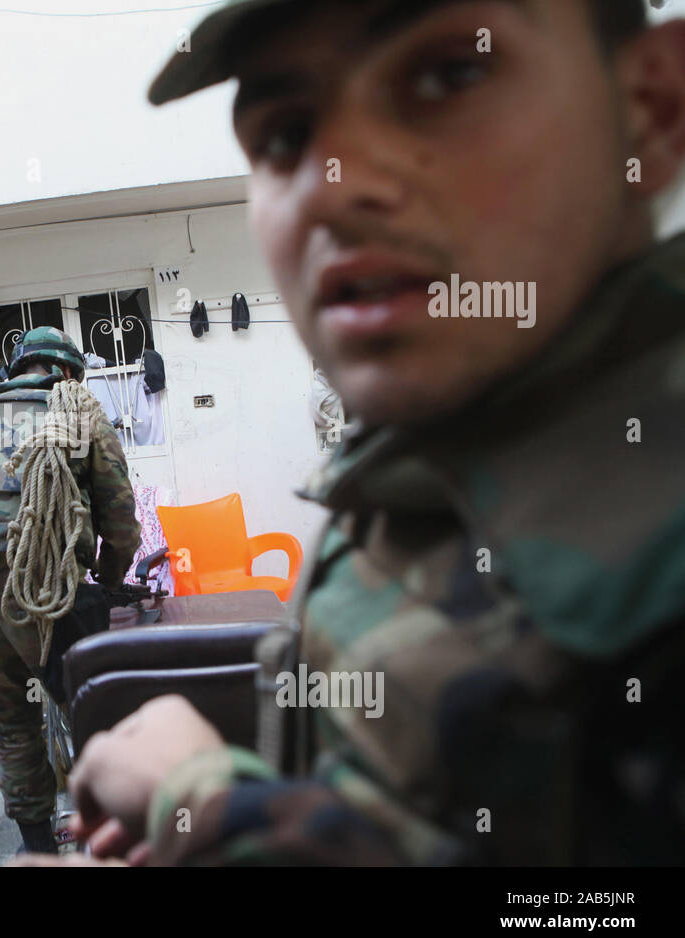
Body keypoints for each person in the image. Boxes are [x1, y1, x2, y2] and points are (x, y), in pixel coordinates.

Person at [61, 0, 685, 866]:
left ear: (652, 106)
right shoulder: (419, 469)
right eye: (282, 133)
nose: (331, 182)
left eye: (446, 77)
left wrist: (209, 805)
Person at [0, 326, 140, 852]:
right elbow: (120, 516)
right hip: (43, 588)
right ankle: (114, 832)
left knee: (11, 717)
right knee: (90, 711)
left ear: (21, 366)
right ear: (66, 371)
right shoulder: (79, 414)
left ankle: (37, 846)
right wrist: (111, 581)